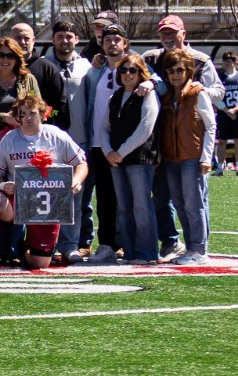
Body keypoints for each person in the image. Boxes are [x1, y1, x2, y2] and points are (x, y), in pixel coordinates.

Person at [0, 92, 89, 270]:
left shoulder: (56, 135)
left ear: (43, 114)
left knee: (40, 263)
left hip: (47, 205)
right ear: (17, 117)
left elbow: (81, 163)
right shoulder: (9, 138)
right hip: (18, 200)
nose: (28, 117)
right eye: (23, 114)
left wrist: (76, 181)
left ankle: (23, 250)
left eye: (32, 113)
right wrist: (3, 185)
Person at [152, 48, 215, 266]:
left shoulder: (198, 93)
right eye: (171, 71)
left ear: (188, 70)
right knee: (179, 204)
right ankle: (191, 248)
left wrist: (206, 157)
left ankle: (199, 249)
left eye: (180, 70)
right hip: (171, 158)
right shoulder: (167, 96)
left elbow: (211, 126)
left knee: (194, 205)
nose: (175, 75)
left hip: (193, 157)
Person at [85, 23, 139, 263]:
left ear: (125, 43)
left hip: (128, 145)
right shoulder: (95, 70)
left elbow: (157, 81)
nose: (112, 44)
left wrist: (150, 83)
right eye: (107, 40)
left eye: (117, 39)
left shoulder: (134, 66)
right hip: (99, 144)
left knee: (129, 198)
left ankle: (129, 243)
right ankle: (107, 244)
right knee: (105, 197)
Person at [43, 20, 95, 258]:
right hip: (50, 143)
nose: (65, 41)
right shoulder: (43, 65)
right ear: (53, 39)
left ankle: (70, 245)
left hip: (80, 140)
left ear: (77, 39)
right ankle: (47, 244)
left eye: (69, 36)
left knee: (77, 195)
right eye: (60, 36)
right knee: (48, 195)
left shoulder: (87, 66)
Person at [104, 52, 161, 263]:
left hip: (140, 159)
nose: (127, 74)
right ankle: (129, 252)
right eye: (123, 70)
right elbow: (104, 128)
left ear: (141, 73)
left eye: (132, 70)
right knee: (124, 208)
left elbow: (146, 128)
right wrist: (108, 152)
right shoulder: (114, 97)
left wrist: (121, 151)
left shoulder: (148, 95)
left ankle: (147, 253)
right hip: (116, 160)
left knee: (141, 206)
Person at [219, 51, 238, 175]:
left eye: (229, 61)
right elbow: (216, 97)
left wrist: (236, 109)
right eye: (225, 61)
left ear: (235, 62)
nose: (226, 64)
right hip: (223, 113)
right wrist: (226, 110)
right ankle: (219, 168)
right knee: (221, 141)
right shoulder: (220, 78)